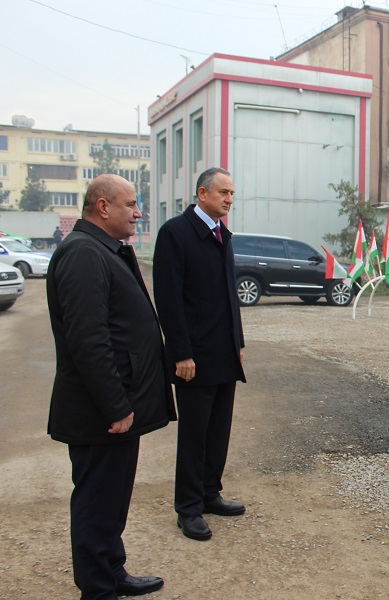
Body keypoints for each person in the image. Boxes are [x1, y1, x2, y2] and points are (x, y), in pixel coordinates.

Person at [47, 174, 175, 599]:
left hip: (118, 407)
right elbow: (88, 340)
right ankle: (98, 588)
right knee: (97, 503)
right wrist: (115, 406)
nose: (138, 212)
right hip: (100, 413)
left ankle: (111, 570)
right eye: (131, 204)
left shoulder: (103, 249)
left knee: (112, 500)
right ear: (103, 207)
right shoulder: (83, 253)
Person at [153, 167, 246, 541]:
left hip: (223, 352)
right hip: (194, 357)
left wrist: (238, 343)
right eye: (223, 192)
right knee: (194, 434)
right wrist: (181, 353)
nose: (229, 199)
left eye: (232, 193)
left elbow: (229, 296)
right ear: (202, 193)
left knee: (218, 430)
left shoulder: (222, 234)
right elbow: (169, 298)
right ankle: (188, 507)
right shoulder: (176, 233)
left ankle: (210, 493)